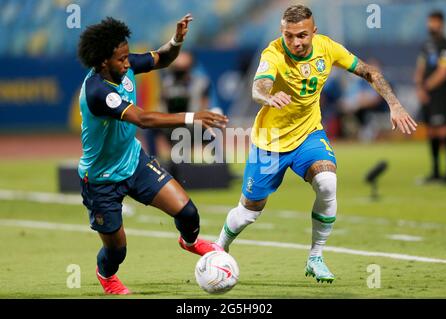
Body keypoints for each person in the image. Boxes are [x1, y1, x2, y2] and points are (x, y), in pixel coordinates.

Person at [215, 5, 417, 283]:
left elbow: (368, 71)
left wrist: (394, 104)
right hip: (270, 142)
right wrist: (267, 97)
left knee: (327, 183)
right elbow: (258, 87)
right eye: (289, 36)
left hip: (309, 134)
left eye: (302, 36)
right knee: (248, 213)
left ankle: (316, 257)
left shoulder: (327, 48)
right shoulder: (272, 53)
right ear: (281, 33)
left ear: (314, 33)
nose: (295, 42)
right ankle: (219, 247)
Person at [77, 14, 227, 295]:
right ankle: (105, 275)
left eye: (126, 56)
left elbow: (163, 58)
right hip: (101, 179)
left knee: (188, 213)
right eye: (121, 59)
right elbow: (143, 119)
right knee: (117, 251)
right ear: (102, 62)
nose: (127, 62)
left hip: (134, 162)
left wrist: (177, 40)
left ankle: (189, 241)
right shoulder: (97, 91)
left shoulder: (125, 64)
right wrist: (192, 117)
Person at [415, 11, 446, 183]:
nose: (431, 25)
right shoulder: (426, 45)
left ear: (441, 23)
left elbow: (443, 72)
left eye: (434, 22)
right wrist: (419, 87)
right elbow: (420, 67)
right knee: (431, 131)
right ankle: (435, 172)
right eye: (430, 22)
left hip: (440, 94)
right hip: (426, 94)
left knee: (443, 130)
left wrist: (426, 87)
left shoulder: (445, 45)